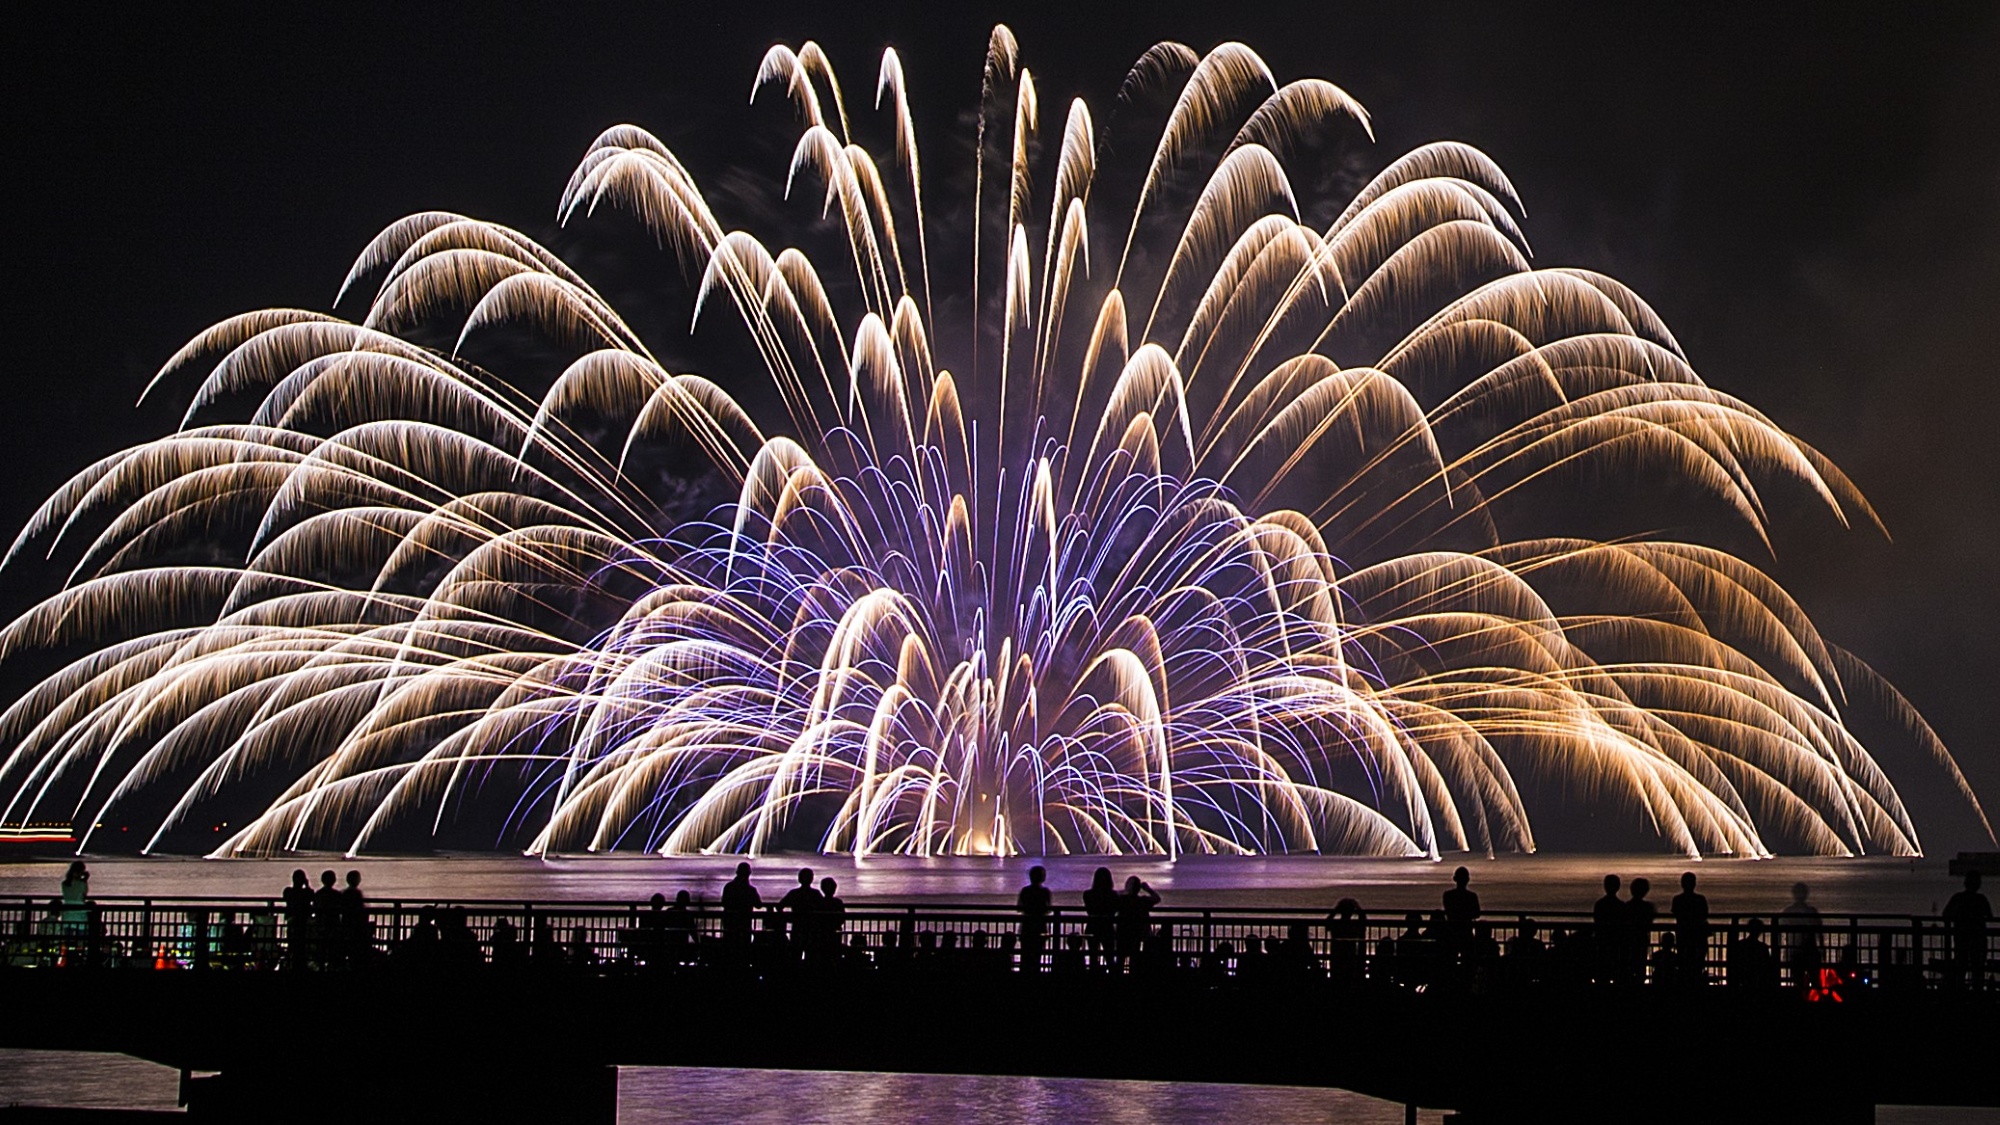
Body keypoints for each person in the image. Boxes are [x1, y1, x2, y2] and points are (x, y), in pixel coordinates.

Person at [1943, 871, 1992, 989]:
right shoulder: (1981, 899)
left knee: (1961, 965)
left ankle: (1960, 991)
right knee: (1978, 967)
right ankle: (1977, 992)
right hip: (1978, 938)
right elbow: (1990, 916)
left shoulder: (1957, 898)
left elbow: (1945, 914)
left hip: (1961, 937)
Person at [1779, 882, 1822, 989]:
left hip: (1795, 951)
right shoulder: (1812, 911)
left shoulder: (1788, 911)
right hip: (1810, 951)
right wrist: (1822, 948)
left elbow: (1779, 930)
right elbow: (1819, 931)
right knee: (1815, 981)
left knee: (1798, 981)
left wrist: (1780, 950)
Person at [1670, 871, 1710, 984]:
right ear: (1694, 884)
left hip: (1683, 935)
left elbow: (1676, 914)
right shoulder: (1700, 899)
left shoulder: (1677, 899)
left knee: (1684, 961)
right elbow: (1704, 914)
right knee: (1698, 962)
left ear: (1682, 884)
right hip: (1699, 936)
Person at [1114, 875, 1160, 970]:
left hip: (1122, 933)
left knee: (1120, 958)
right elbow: (1156, 898)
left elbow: (1112, 897)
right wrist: (1148, 889)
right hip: (1137, 933)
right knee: (1134, 958)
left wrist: (1124, 891)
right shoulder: (1142, 901)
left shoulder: (1122, 900)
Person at [1016, 866, 1053, 972]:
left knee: (1025, 955)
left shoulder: (1025, 890)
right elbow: (1048, 909)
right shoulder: (1045, 891)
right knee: (1037, 955)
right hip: (1040, 926)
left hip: (1027, 926)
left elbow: (1019, 908)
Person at [1592, 874, 1627, 984]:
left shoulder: (1600, 904)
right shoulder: (1621, 906)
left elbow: (1597, 920)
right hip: (1617, 944)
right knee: (1617, 973)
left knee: (1602, 975)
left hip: (1603, 942)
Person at [779, 868, 824, 950]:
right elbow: (823, 908)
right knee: (811, 953)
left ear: (799, 879)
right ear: (811, 879)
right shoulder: (815, 894)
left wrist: (787, 918)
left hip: (797, 926)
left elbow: (780, 906)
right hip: (812, 927)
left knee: (796, 952)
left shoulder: (794, 893)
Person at [1083, 867, 1118, 970]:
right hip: (1107, 927)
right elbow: (1114, 910)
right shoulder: (1113, 895)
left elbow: (1089, 910)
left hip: (1092, 926)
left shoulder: (1087, 894)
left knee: (1093, 955)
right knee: (1110, 956)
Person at [720, 862, 760, 948]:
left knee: (730, 944)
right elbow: (758, 905)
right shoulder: (750, 890)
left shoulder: (729, 887)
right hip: (744, 923)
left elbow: (724, 902)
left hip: (729, 922)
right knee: (744, 945)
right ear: (748, 874)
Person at [1626, 877, 1658, 980]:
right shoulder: (1648, 907)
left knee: (1628, 967)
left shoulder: (1626, 907)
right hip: (1641, 939)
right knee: (1640, 967)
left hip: (1628, 940)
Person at [281, 869, 313, 969]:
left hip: (292, 922)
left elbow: (286, 897)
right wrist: (307, 885)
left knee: (292, 945)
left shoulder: (288, 891)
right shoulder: (306, 893)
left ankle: (291, 965)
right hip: (304, 923)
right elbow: (312, 896)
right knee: (303, 946)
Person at [1442, 865, 1480, 945]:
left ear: (1455, 879)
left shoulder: (1448, 895)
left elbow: (1448, 910)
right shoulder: (1472, 896)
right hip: (1466, 931)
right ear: (1468, 880)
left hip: (1452, 931)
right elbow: (1477, 913)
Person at [311, 870, 342, 967]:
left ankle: (320, 967)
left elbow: (315, 907)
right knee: (333, 952)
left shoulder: (318, 894)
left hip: (320, 926)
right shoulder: (337, 895)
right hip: (333, 927)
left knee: (321, 950)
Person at [339, 870, 368, 965]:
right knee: (356, 947)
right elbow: (362, 908)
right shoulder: (357, 893)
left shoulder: (343, 893)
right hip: (356, 924)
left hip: (346, 923)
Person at [663, 890, 696, 963]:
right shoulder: (687, 914)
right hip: (682, 943)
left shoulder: (669, 911)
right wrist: (698, 943)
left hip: (669, 943)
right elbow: (693, 931)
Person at [817, 877, 846, 951]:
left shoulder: (819, 902)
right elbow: (842, 918)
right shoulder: (838, 902)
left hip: (821, 932)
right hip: (835, 931)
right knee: (834, 951)